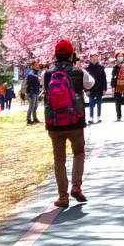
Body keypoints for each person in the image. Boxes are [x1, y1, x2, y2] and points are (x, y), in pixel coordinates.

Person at [44, 39, 95, 209]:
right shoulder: (79, 72)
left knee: (59, 159)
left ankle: (63, 197)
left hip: (54, 122)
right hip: (75, 121)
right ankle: (76, 187)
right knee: (79, 153)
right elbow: (91, 84)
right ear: (72, 54)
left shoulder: (47, 74)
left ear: (55, 55)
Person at [85, 54, 108, 124]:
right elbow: (85, 80)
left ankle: (99, 116)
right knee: (91, 104)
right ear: (90, 59)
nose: (94, 59)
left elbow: (104, 79)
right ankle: (91, 117)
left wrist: (104, 89)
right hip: (91, 89)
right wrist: (86, 90)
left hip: (99, 88)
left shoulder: (101, 68)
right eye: (93, 58)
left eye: (96, 57)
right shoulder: (87, 68)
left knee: (99, 103)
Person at [24, 61, 44, 125]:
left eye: (37, 65)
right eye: (35, 65)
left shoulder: (36, 72)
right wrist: (37, 77)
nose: (37, 66)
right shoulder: (31, 72)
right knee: (31, 106)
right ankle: (28, 119)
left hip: (36, 91)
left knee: (35, 106)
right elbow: (30, 76)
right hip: (31, 92)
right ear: (32, 66)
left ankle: (35, 118)